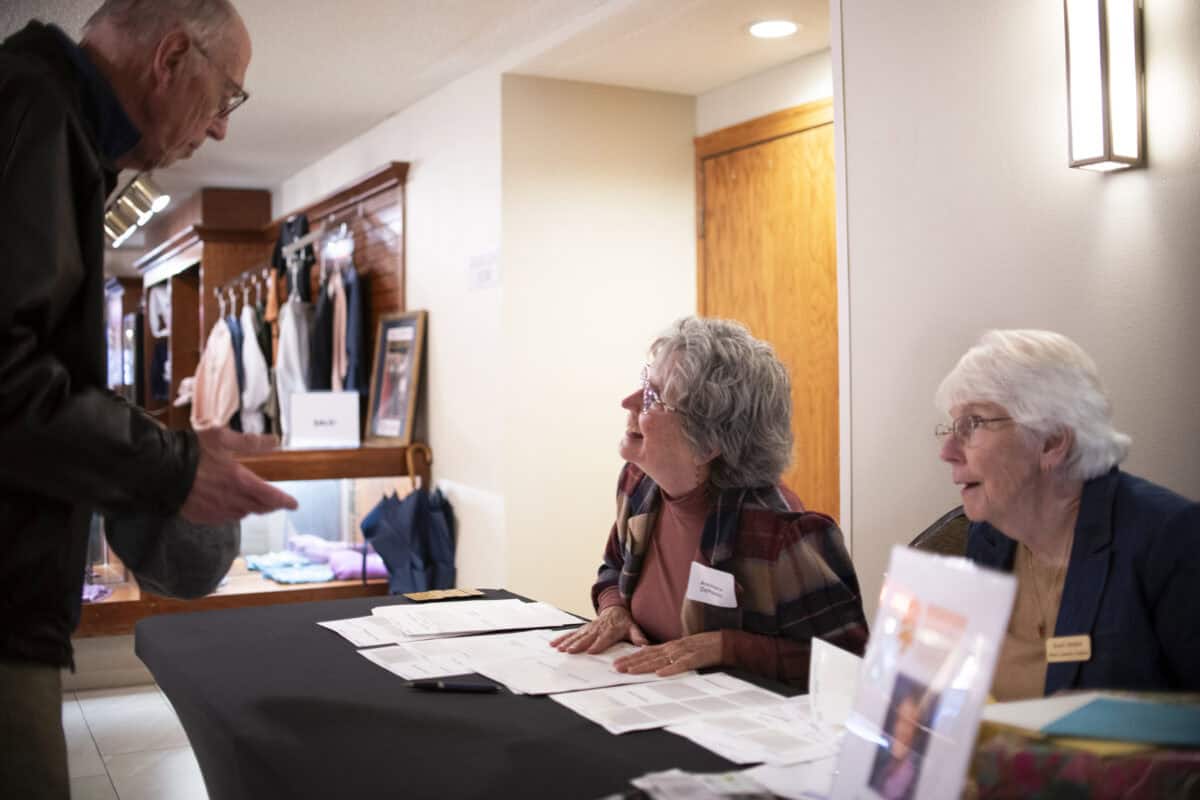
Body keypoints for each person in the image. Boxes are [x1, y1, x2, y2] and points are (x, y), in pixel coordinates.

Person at [0, 2, 296, 797]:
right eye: (227, 96)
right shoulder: (33, 109)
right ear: (169, 58)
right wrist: (172, 465)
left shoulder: (54, 127)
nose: (222, 127)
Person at [551, 317, 868, 685]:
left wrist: (727, 647)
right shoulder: (638, 484)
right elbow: (614, 567)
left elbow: (848, 665)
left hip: (736, 718)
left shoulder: (783, 535)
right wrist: (613, 609)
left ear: (708, 443)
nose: (629, 402)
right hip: (645, 699)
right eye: (644, 383)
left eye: (654, 397)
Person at [936, 329, 1200, 700]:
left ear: (1052, 441)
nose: (947, 451)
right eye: (952, 427)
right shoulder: (988, 537)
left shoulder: (1171, 539)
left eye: (973, 424)